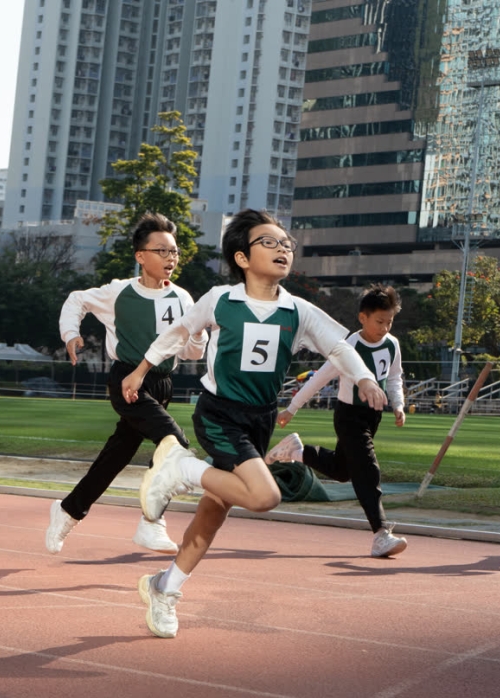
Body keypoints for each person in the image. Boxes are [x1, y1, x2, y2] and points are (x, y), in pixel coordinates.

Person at [122, 209, 387, 637]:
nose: (282, 249)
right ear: (242, 258)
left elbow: (340, 348)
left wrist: (365, 378)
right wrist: (140, 371)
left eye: (286, 243)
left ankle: (164, 587)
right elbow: (177, 334)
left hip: (259, 420)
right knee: (264, 497)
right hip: (219, 414)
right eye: (269, 242)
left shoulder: (298, 310)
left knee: (214, 510)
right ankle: (181, 468)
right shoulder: (220, 300)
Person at [45, 212, 208, 555]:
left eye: (174, 252)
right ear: (140, 256)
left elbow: (192, 352)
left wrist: (198, 337)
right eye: (162, 251)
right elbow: (77, 299)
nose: (170, 258)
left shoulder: (182, 298)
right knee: (173, 444)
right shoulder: (119, 292)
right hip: (127, 381)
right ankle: (151, 523)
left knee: (116, 455)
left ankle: (68, 510)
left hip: (162, 383)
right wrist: (71, 333)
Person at [265, 284, 408, 558]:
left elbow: (393, 377)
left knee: (343, 471)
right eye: (379, 322)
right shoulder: (348, 347)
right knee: (367, 469)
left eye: (389, 322)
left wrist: (398, 404)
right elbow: (320, 378)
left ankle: (296, 451)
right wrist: (292, 408)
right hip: (349, 416)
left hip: (373, 416)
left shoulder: (392, 344)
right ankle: (380, 534)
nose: (385, 328)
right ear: (363, 318)